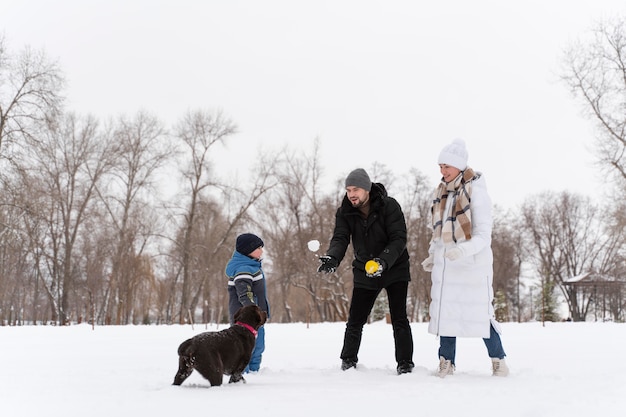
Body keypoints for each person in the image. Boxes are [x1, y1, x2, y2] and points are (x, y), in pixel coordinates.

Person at [421, 138, 509, 377]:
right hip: (446, 266)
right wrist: (432, 254)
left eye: (446, 166)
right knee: (446, 314)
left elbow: (483, 235)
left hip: (471, 267)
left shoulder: (476, 192)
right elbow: (438, 232)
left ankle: (498, 360)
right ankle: (446, 361)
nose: (442, 171)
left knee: (479, 315)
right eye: (440, 166)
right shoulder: (442, 193)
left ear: (459, 166)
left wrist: (462, 250)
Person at [317, 168, 414, 375]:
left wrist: (382, 261)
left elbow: (399, 239)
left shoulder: (389, 206)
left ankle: (405, 363)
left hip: (395, 266)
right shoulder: (345, 211)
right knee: (355, 319)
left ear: (367, 189)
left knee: (399, 318)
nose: (352, 194)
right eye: (349, 189)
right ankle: (348, 361)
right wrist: (333, 257)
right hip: (364, 268)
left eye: (356, 189)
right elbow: (340, 238)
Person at [226, 233, 270, 372]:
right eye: (258, 248)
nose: (261, 251)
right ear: (248, 250)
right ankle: (242, 371)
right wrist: (253, 311)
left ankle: (254, 370)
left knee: (258, 345)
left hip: (255, 318)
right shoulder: (244, 269)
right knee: (244, 347)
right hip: (247, 319)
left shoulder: (252, 267)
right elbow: (244, 294)